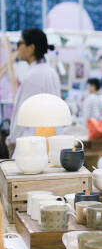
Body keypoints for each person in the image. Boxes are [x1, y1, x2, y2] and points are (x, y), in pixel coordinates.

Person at [7, 28, 61, 156]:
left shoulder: (32, 76)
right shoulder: (51, 72)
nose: (17, 48)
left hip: (32, 144)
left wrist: (12, 139)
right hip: (52, 142)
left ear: (31, 47)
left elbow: (21, 114)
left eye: (20, 43)